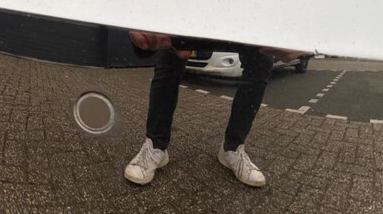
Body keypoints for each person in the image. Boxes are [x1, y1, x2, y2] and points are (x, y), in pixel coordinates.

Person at [124, 32, 305, 188]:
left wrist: (298, 34)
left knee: (261, 61)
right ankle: (156, 145)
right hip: (191, 6)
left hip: (248, 10)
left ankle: (232, 148)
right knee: (169, 57)